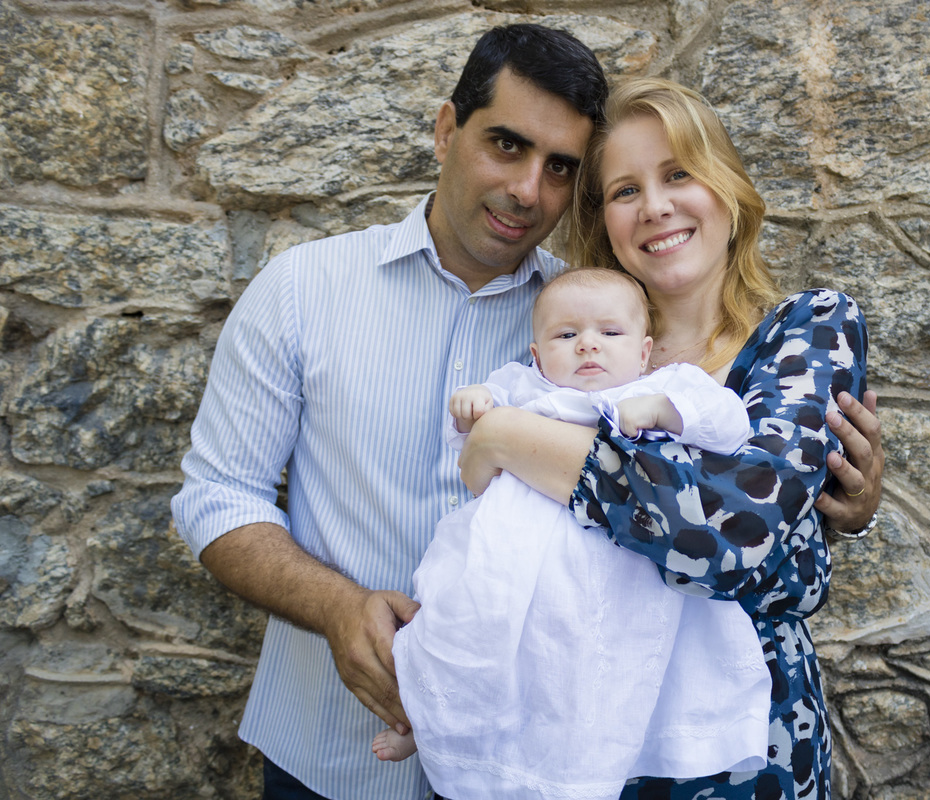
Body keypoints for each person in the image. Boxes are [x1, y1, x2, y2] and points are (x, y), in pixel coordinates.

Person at [171, 22, 882, 799]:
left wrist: (835, 503)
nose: (526, 189)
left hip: (563, 755)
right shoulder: (305, 290)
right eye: (506, 146)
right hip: (336, 747)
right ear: (448, 130)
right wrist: (339, 610)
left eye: (560, 169)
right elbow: (217, 495)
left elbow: (750, 530)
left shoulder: (589, 322)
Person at [456, 77, 872, 799]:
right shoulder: (567, 355)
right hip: (579, 729)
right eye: (624, 190)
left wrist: (510, 437)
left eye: (679, 173)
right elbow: (497, 522)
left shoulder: (805, 330)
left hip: (746, 746)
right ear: (604, 220)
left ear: (727, 188)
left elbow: (735, 530)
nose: (655, 207)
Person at [373, 267, 774, 798]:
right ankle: (432, 726)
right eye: (566, 336)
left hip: (617, 571)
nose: (588, 345)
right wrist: (471, 403)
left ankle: (603, 753)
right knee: (456, 628)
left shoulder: (662, 385)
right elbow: (470, 430)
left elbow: (728, 422)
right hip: (510, 559)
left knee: (585, 667)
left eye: (610, 333)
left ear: (644, 350)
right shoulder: (524, 386)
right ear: (538, 355)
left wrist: (664, 411)